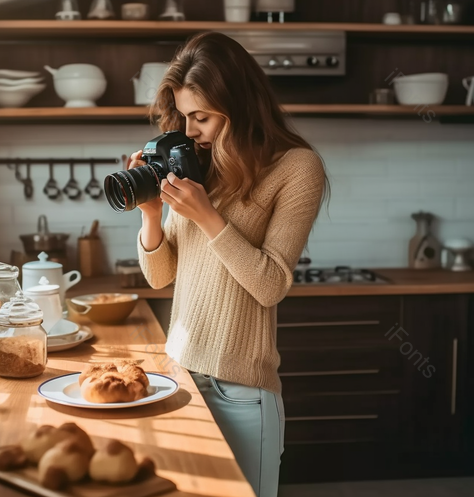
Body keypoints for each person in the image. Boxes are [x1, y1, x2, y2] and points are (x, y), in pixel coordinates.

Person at [131, 31, 329, 497]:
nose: (191, 129)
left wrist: (207, 215)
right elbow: (161, 277)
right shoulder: (194, 164)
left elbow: (271, 284)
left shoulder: (297, 168)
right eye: (184, 116)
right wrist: (152, 215)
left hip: (240, 391)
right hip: (180, 379)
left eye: (201, 117)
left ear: (238, 105)